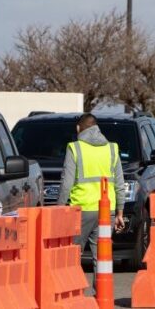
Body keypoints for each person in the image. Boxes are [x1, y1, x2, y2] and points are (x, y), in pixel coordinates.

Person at [57, 113, 125, 275]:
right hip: (107, 211)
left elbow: (66, 183)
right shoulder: (112, 148)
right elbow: (119, 183)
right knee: (102, 257)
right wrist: (120, 212)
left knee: (73, 255)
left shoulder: (75, 148)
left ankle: (74, 294)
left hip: (82, 209)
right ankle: (100, 296)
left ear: (78, 128)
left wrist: (59, 209)